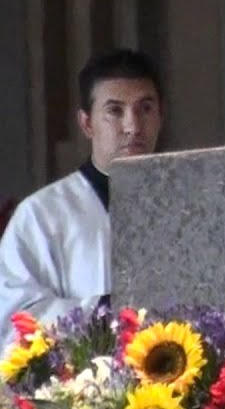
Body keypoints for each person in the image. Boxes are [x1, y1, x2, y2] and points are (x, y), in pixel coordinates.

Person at [0, 49, 163, 346]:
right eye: (115, 111)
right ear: (87, 123)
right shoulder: (41, 216)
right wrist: (109, 311)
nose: (133, 126)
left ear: (160, 116)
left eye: (145, 108)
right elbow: (14, 317)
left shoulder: (190, 206)